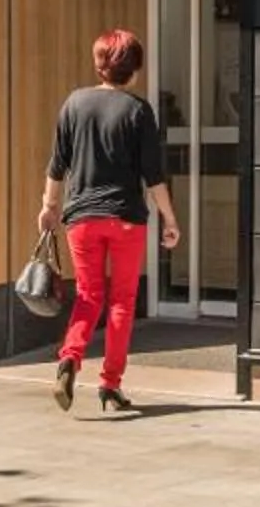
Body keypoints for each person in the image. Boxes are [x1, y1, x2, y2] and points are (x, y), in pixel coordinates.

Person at [41, 27, 179, 413]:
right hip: (124, 220)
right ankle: (110, 383)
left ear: (99, 63)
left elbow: (57, 165)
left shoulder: (74, 104)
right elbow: (153, 176)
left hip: (81, 218)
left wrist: (49, 206)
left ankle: (69, 359)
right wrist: (170, 219)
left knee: (88, 295)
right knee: (121, 301)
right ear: (134, 69)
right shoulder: (138, 111)